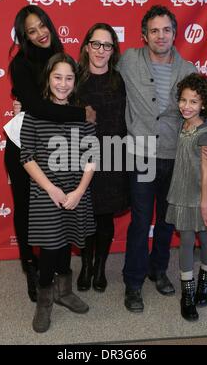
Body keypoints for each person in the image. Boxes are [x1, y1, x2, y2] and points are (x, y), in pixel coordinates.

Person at [117, 5, 207, 312]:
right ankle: (133, 283)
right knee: (140, 221)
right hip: (141, 156)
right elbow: (96, 76)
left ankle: (158, 270)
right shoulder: (127, 61)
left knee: (167, 220)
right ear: (143, 35)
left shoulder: (188, 68)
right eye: (154, 30)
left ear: (174, 34)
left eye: (166, 30)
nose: (160, 36)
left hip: (176, 159)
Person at [4, 5, 95, 303]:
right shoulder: (20, 65)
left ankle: (57, 271)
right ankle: (30, 266)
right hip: (26, 147)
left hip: (57, 147)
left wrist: (78, 114)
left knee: (59, 210)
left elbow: (60, 99)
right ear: (24, 36)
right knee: (29, 210)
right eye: (32, 30)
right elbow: (39, 108)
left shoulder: (60, 54)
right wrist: (82, 113)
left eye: (43, 25)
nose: (40, 33)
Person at [20, 52, 97, 333]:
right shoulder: (35, 113)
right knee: (51, 247)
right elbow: (26, 156)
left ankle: (64, 292)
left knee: (67, 242)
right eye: (57, 77)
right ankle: (45, 301)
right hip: (46, 192)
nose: (63, 84)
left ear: (75, 82)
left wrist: (78, 192)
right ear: (48, 79)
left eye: (68, 78)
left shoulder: (83, 114)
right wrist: (51, 188)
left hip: (76, 191)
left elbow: (92, 157)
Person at [76, 23, 129, 293]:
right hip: (81, 158)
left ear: (113, 50)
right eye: (95, 44)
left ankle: (99, 268)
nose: (100, 50)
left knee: (105, 218)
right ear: (86, 46)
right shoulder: (74, 78)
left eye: (107, 45)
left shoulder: (120, 80)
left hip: (113, 158)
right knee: (86, 215)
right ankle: (85, 265)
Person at [166, 73, 207, 321]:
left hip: (202, 197)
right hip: (183, 193)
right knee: (186, 242)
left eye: (194, 102)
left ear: (204, 105)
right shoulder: (184, 124)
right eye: (183, 100)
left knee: (206, 240)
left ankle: (205, 282)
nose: (187, 106)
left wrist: (205, 205)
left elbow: (206, 174)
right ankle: (187, 293)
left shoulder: (206, 133)